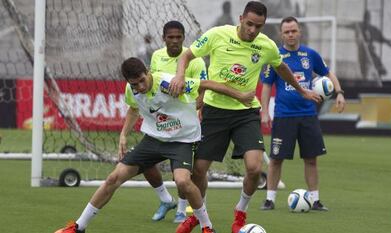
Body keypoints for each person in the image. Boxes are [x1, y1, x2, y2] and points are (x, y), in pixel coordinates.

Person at [54, 57, 255, 233]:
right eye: (135, 84)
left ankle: (207, 227)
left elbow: (207, 84)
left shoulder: (168, 83)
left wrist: (241, 96)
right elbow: (133, 109)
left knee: (183, 182)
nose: (140, 86)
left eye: (142, 80)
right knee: (113, 177)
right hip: (152, 140)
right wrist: (124, 134)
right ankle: (78, 227)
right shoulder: (131, 90)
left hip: (182, 140)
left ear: (148, 72)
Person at [170, 2, 321, 233]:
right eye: (249, 24)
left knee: (253, 167)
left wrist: (302, 90)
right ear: (241, 19)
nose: (252, 30)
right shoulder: (217, 34)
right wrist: (180, 76)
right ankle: (199, 216)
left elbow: (281, 69)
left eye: (258, 26)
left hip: (246, 112)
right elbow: (187, 56)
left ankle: (240, 212)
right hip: (215, 111)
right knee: (198, 170)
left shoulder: (266, 46)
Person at [259, 16, 346, 211]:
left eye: (293, 31)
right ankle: (269, 199)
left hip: (308, 115)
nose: (290, 34)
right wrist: (264, 112)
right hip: (283, 115)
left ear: (299, 32)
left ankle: (315, 200)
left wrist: (339, 92)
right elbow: (266, 86)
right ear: (281, 34)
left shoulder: (310, 54)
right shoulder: (275, 56)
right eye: (286, 32)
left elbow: (328, 73)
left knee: (311, 158)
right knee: (276, 159)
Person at [134, 20, 208, 224]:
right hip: (161, 121)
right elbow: (152, 85)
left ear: (184, 38)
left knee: (183, 174)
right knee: (144, 163)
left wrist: (197, 108)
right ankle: (166, 199)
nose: (175, 41)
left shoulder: (195, 60)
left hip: (185, 124)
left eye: (178, 37)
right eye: (170, 37)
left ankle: (183, 210)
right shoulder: (157, 56)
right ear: (163, 38)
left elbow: (202, 89)